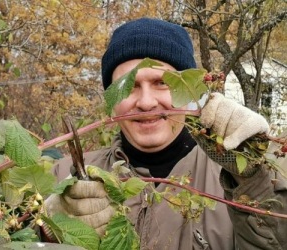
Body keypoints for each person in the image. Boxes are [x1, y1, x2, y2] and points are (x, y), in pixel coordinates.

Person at [43, 18, 287, 249]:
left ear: (191, 93)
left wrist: (254, 181)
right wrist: (49, 229)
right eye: (129, 86)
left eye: (162, 82)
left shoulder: (237, 181)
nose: (146, 103)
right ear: (111, 99)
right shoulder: (62, 177)